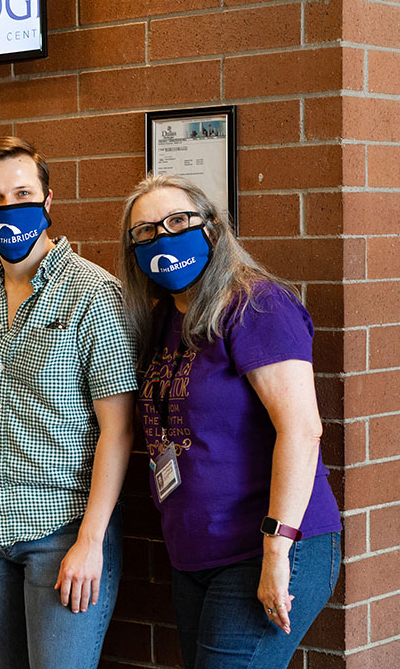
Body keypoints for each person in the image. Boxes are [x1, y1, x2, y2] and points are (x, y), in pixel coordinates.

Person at [118, 174, 341, 668]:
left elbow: (302, 430)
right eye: (146, 232)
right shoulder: (162, 321)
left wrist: (277, 551)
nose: (163, 238)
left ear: (213, 230)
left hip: (268, 544)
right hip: (195, 552)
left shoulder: (255, 305)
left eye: (178, 221)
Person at [0, 137, 136, 669]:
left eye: (22, 193)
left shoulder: (92, 292)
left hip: (61, 533)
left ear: (48, 199)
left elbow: (117, 431)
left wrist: (91, 541)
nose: (8, 208)